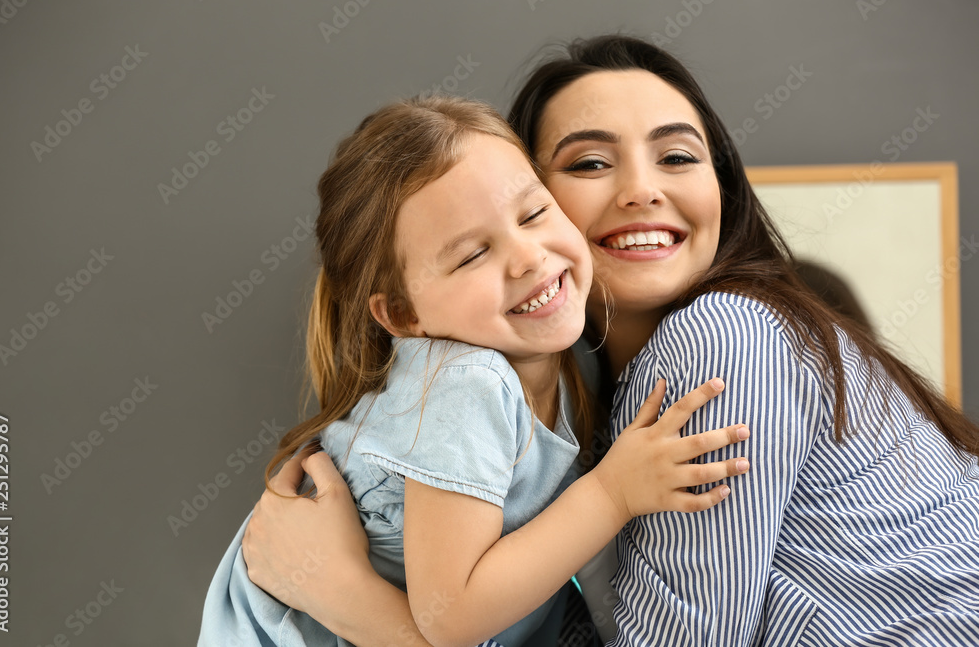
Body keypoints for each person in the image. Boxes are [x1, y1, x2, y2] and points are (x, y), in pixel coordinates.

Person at [242, 35, 979, 645]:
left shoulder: (721, 338)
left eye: (679, 156)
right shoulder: (565, 401)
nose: (640, 190)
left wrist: (343, 594)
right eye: (590, 162)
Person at [198, 94, 752, 647]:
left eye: (533, 214)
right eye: (470, 256)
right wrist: (613, 494)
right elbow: (453, 616)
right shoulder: (466, 383)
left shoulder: (563, 357)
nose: (529, 258)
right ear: (403, 314)